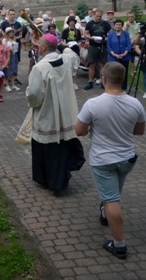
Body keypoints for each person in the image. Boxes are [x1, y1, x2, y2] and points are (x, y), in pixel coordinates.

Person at [75, 62, 145, 259]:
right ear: (123, 80)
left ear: (104, 79)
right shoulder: (136, 103)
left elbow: (79, 131)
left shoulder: (93, 104)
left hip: (103, 160)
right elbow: (139, 132)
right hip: (126, 159)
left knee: (111, 199)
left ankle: (119, 244)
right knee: (114, 193)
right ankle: (106, 213)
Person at [26, 34, 84, 195]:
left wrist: (30, 100)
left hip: (48, 115)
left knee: (47, 148)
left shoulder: (40, 68)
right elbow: (72, 54)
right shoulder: (66, 60)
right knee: (61, 147)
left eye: (39, 45)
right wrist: (62, 45)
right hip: (66, 114)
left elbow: (34, 96)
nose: (37, 47)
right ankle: (59, 179)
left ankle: (47, 180)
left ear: (44, 48)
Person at [84, 9, 111, 90]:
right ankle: (90, 82)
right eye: (97, 16)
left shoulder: (105, 23)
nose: (98, 18)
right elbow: (85, 34)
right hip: (93, 45)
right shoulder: (90, 23)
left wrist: (106, 38)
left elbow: (110, 33)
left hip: (103, 45)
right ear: (94, 15)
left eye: (100, 16)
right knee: (92, 64)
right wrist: (92, 38)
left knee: (103, 64)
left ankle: (103, 82)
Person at [106, 19, 133, 90]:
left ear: (122, 26)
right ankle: (114, 88)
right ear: (114, 26)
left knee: (123, 72)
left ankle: (123, 88)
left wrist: (124, 54)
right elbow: (109, 46)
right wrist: (114, 54)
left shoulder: (126, 34)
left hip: (125, 57)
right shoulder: (110, 35)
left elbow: (128, 45)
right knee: (114, 72)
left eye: (119, 25)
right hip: (113, 57)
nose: (118, 26)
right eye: (116, 25)